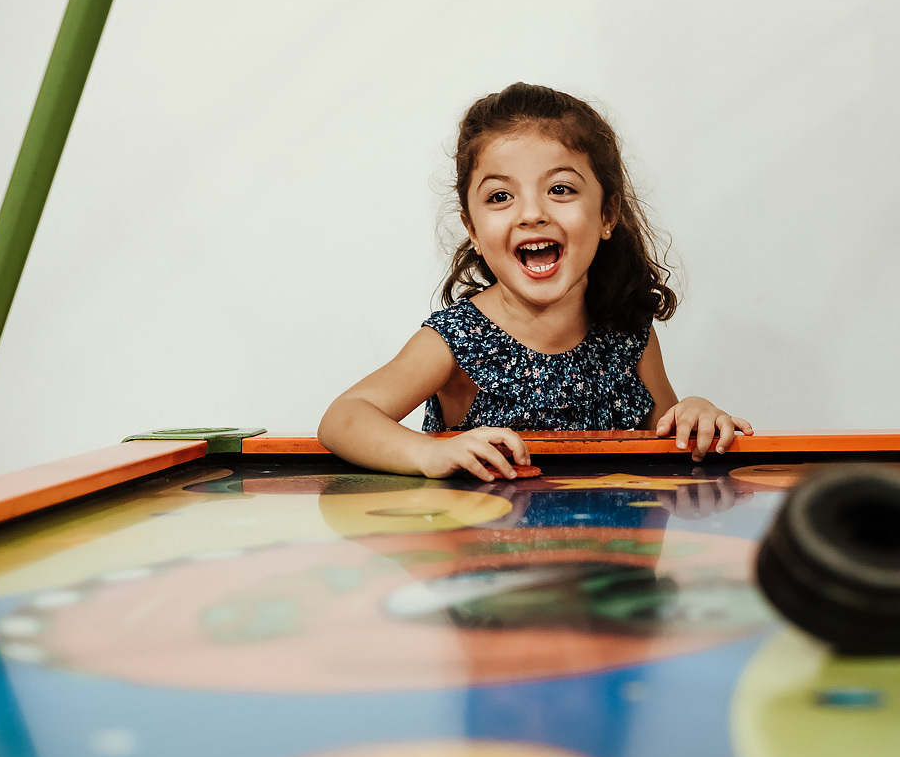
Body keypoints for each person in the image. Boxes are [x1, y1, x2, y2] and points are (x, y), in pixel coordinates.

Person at [319, 83, 752, 481]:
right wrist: (428, 453)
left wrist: (695, 413)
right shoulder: (457, 340)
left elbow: (668, 443)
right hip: (489, 539)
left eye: (560, 189)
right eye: (500, 196)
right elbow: (344, 417)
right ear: (472, 229)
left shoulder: (629, 335)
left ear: (607, 214)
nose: (531, 214)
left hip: (612, 543)